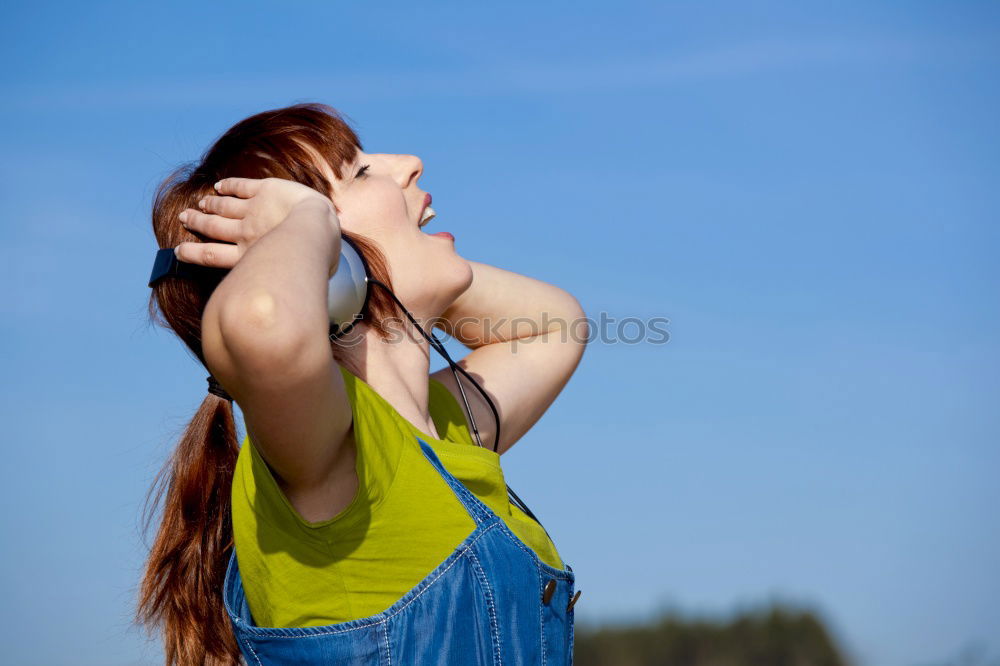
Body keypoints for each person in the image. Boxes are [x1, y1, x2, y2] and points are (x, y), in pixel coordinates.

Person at [137, 102, 588, 665]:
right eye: (361, 172)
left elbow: (556, 326)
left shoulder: (442, 433)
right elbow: (263, 320)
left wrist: (385, 274)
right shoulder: (330, 445)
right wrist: (315, 228)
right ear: (323, 256)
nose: (410, 165)